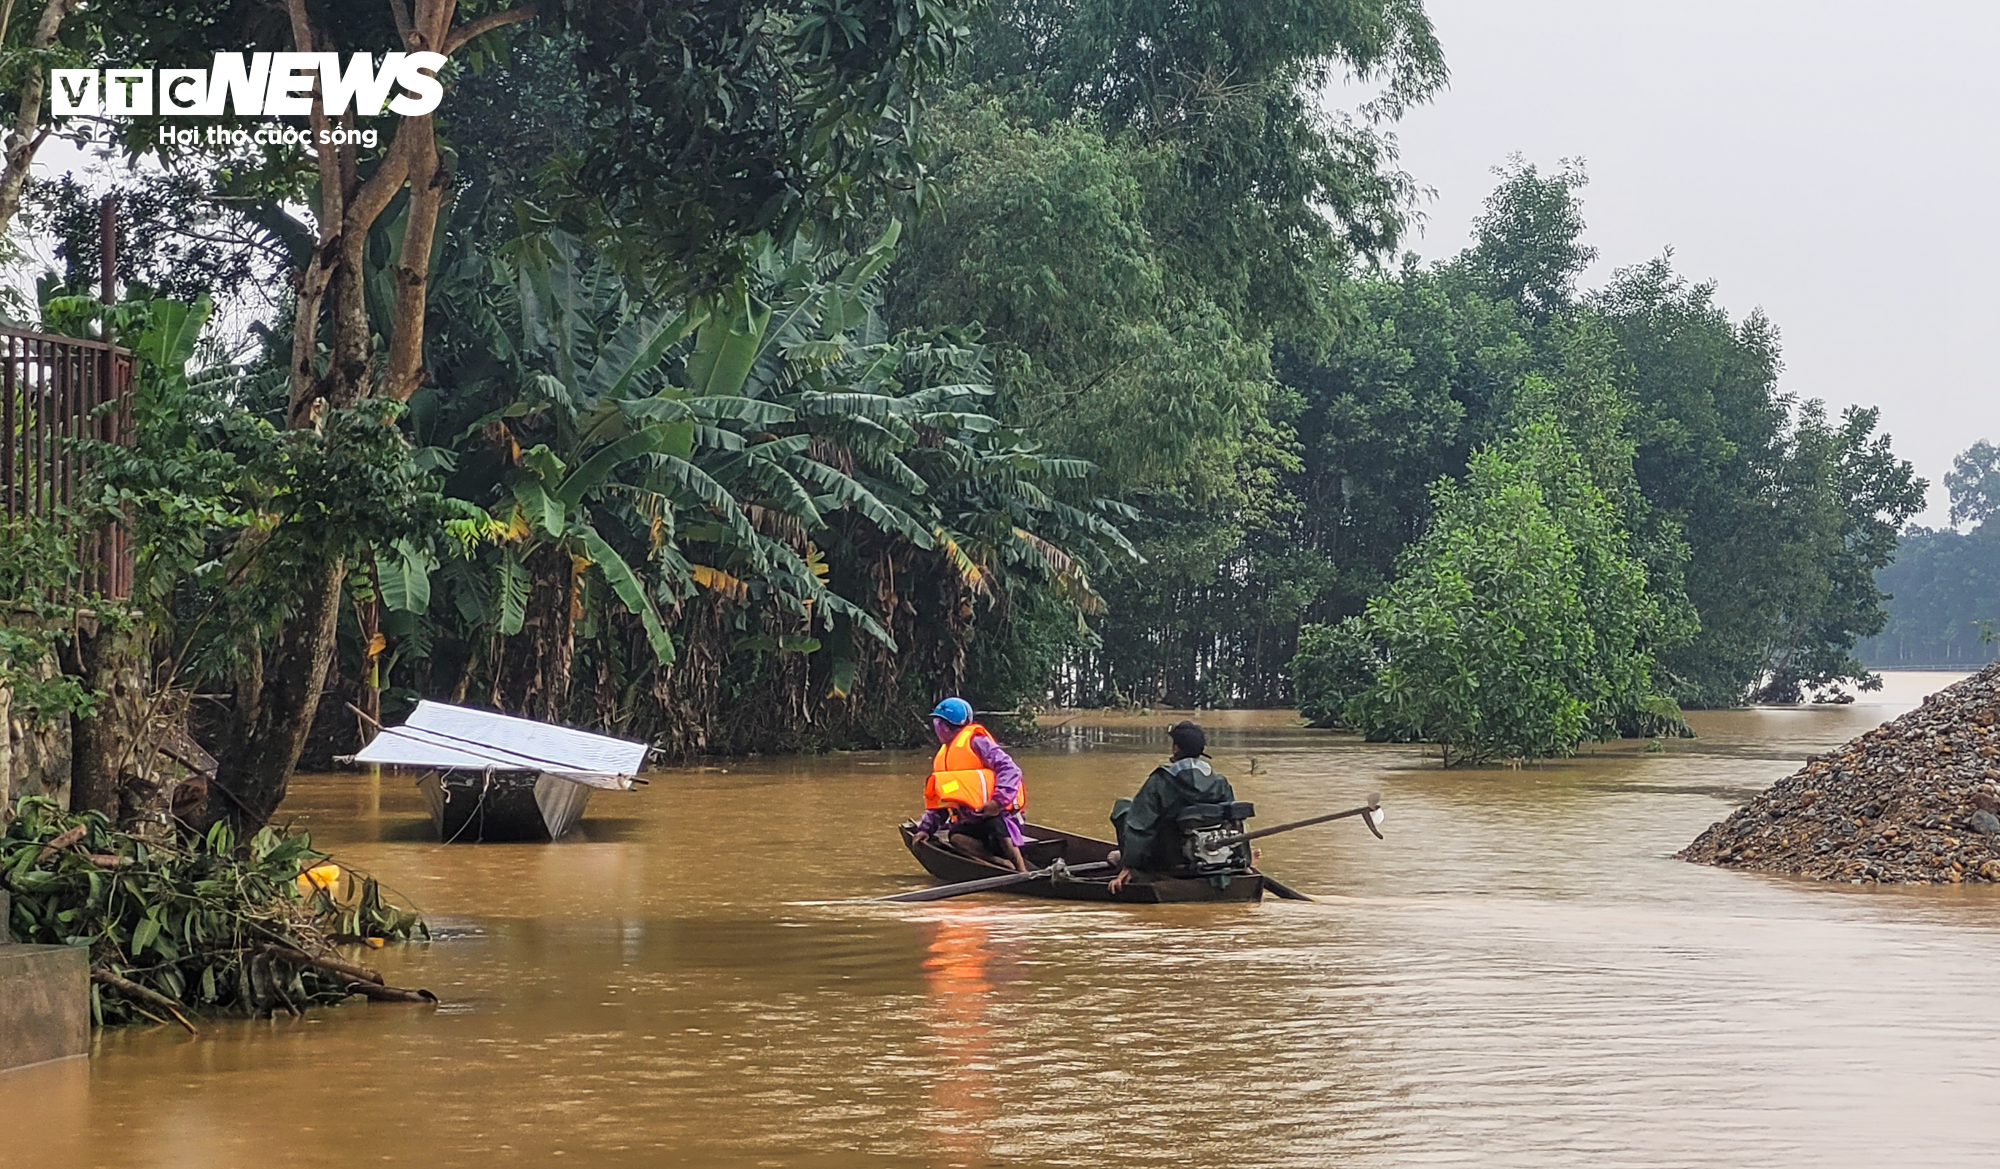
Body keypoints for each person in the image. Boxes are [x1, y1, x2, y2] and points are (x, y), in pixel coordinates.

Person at [1107, 720, 1235, 893]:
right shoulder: (1220, 782)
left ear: (1176, 748)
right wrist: (1242, 859)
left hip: (1166, 857)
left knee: (1123, 808)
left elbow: (1140, 827)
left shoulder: (1160, 781)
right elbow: (1233, 822)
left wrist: (1129, 865)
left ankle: (1130, 862)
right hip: (1206, 855)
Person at [911, 697, 1030, 872]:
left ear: (945, 726)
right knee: (956, 837)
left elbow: (1011, 770)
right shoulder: (943, 756)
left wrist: (997, 802)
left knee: (995, 825)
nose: (936, 728)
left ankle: (1022, 871)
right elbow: (944, 801)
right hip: (972, 822)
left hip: (1000, 816)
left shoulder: (977, 742)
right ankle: (998, 864)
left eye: (937, 723)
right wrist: (926, 829)